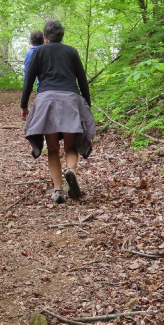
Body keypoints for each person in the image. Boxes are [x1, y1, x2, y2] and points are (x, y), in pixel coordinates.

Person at [20, 20, 96, 204]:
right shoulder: (71, 52)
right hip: (70, 100)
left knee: (53, 149)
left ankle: (58, 190)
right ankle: (71, 170)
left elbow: (29, 79)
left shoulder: (38, 51)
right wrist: (86, 104)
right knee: (71, 147)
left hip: (46, 101)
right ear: (62, 35)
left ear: (45, 37)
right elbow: (82, 80)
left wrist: (24, 105)